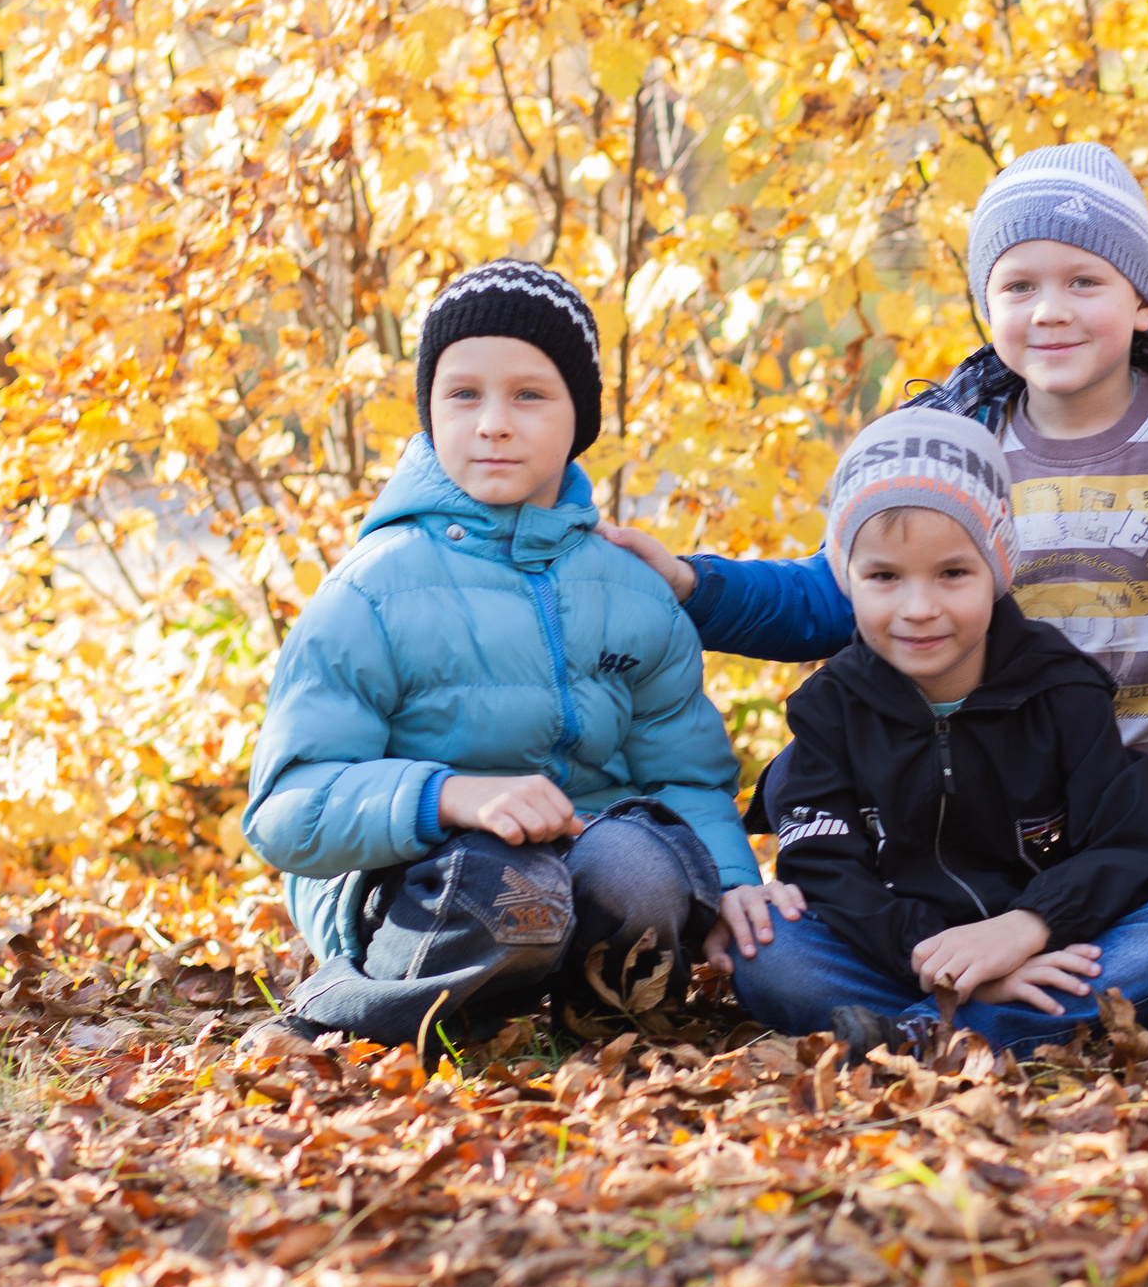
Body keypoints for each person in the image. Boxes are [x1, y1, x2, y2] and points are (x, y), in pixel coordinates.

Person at [607, 143, 1148, 886]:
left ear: (1142, 301)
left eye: (1084, 280)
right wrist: (692, 585)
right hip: (993, 798)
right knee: (826, 948)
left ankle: (1058, 971)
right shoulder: (951, 444)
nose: (1050, 309)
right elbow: (835, 593)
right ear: (989, 309)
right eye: (1018, 285)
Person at [239, 260, 800, 1051]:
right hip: (418, 875)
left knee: (642, 867)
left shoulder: (633, 592)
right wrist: (448, 795)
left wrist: (733, 880)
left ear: (581, 417)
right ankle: (356, 1011)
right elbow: (286, 809)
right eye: (464, 394)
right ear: (430, 411)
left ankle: (594, 1021)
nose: (494, 423)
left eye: (529, 394)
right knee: (507, 885)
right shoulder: (373, 590)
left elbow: (684, 773)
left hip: (582, 856)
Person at [727, 409, 1148, 1058]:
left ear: (998, 568)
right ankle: (966, 1021)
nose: (919, 608)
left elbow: (1137, 844)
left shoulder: (1062, 688)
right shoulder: (829, 708)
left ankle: (917, 1035)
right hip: (898, 952)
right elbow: (827, 871)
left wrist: (1027, 927)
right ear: (846, 577)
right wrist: (945, 965)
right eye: (884, 577)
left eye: (953, 573)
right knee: (770, 948)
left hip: (1045, 944)